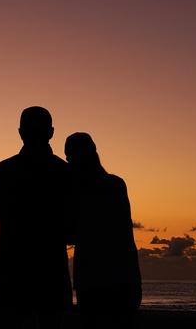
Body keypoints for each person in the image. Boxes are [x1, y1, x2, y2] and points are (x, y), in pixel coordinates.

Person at [0, 106, 74, 329]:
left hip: (13, 268)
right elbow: (74, 226)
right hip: (51, 269)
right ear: (51, 132)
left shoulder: (3, 170)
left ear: (20, 132)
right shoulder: (65, 172)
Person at [64, 132, 142, 329]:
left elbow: (73, 233)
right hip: (124, 277)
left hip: (94, 279)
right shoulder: (116, 184)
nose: (69, 162)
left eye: (70, 157)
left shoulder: (79, 192)